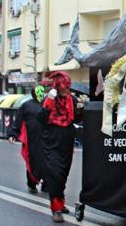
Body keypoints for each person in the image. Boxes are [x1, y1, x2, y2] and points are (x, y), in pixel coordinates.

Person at [38, 71, 84, 223]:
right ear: (57, 86)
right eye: (63, 88)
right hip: (51, 140)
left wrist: (81, 108)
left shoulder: (72, 99)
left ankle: (60, 202)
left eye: (68, 87)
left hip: (67, 139)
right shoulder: (49, 99)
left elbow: (77, 118)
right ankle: (56, 209)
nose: (66, 90)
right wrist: (49, 101)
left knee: (63, 173)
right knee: (54, 174)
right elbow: (41, 119)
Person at [9, 86, 45, 194]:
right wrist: (13, 134)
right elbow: (18, 121)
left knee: (48, 161)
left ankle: (47, 184)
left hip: (47, 138)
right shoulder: (26, 105)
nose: (40, 94)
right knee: (33, 161)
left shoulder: (48, 104)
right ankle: (32, 184)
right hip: (32, 138)